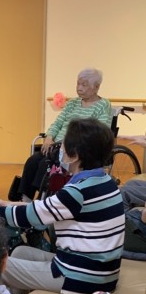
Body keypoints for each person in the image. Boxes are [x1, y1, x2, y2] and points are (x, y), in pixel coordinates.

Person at [0, 118, 125, 294]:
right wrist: (10, 205)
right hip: (101, 273)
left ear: (74, 156)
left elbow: (32, 216)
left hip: (81, 277)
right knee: (21, 252)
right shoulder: (105, 182)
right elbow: (46, 209)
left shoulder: (77, 192)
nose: (60, 149)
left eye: (63, 145)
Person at [15, 68, 111, 201]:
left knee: (45, 164)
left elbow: (99, 131)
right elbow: (58, 123)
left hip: (77, 148)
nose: (79, 88)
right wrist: (49, 137)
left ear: (96, 87)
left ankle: (41, 200)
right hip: (57, 145)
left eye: (84, 85)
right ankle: (25, 198)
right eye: (78, 83)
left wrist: (71, 143)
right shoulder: (72, 103)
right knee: (33, 161)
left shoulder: (103, 105)